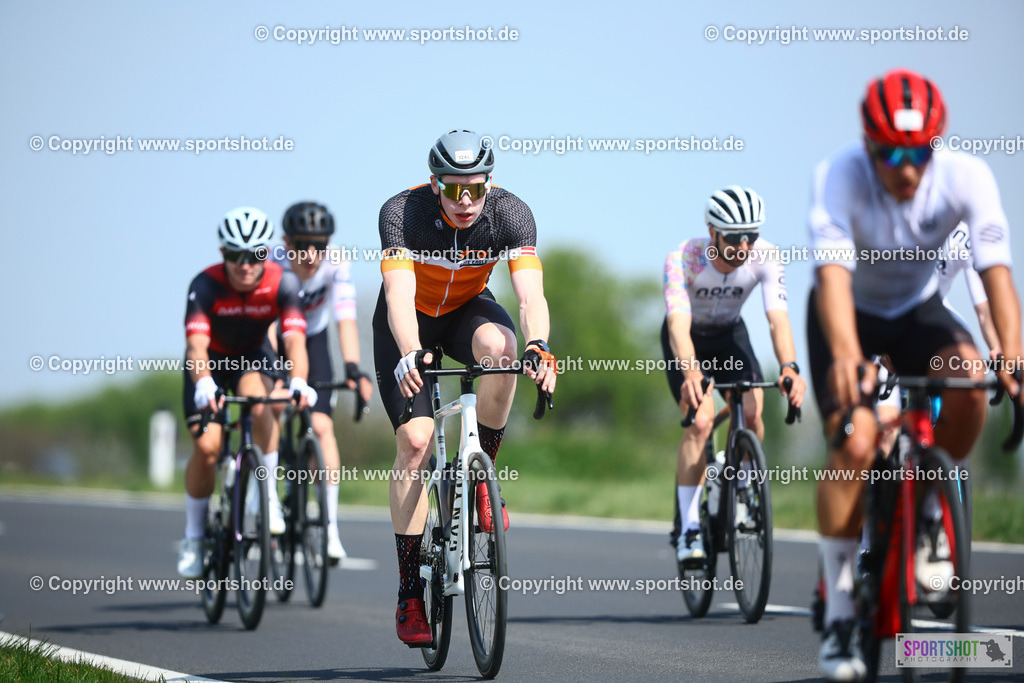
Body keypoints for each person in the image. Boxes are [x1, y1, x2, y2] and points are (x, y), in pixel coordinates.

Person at [807, 68, 1022, 681]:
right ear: (868, 145)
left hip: (917, 312)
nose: (906, 170)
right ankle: (840, 610)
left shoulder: (966, 177)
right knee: (855, 442)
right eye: (892, 155)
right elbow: (832, 280)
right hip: (847, 313)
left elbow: (996, 273)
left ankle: (928, 513)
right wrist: (847, 356)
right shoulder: (839, 176)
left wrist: (1013, 355)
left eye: (920, 153)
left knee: (971, 383)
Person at [373, 130, 556, 645]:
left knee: (503, 349)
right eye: (454, 189)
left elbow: (530, 295)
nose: (466, 201)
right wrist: (411, 351)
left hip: (464, 312)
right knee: (415, 443)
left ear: (488, 184)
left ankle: (480, 478)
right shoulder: (402, 212)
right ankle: (410, 593)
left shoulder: (510, 213)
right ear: (435, 185)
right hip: (408, 324)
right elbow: (398, 293)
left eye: (476, 188)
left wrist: (539, 344)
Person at [662, 186, 805, 566]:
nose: (744, 246)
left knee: (753, 413)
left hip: (729, 337)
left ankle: (741, 483)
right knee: (701, 420)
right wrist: (691, 372)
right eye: (735, 237)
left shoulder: (766, 256)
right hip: (687, 339)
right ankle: (689, 527)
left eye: (751, 236)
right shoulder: (683, 258)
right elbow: (677, 326)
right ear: (713, 232)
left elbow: (777, 320)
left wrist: (790, 367)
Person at [177, 207, 316, 579]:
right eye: (236, 255)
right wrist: (203, 382)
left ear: (266, 253)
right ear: (223, 253)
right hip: (209, 362)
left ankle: (267, 494)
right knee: (207, 450)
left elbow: (295, 341)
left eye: (255, 255)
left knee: (260, 402)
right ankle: (194, 537)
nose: (245, 265)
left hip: (252, 357)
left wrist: (298, 381)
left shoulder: (283, 283)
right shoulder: (205, 284)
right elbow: (195, 346)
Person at [268, 201, 375, 562]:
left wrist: (353, 369)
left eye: (320, 246)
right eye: (302, 246)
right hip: (273, 339)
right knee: (273, 408)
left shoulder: (336, 263)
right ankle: (265, 495)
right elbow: (265, 326)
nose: (312, 256)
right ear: (286, 242)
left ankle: (330, 528)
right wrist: (274, 375)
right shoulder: (272, 264)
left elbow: (345, 318)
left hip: (313, 340)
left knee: (323, 427)